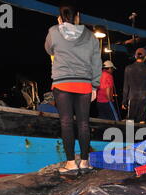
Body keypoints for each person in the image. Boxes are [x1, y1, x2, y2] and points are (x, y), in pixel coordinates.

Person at [45, 3, 102, 173]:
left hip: (62, 83)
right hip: (84, 83)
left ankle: (70, 163)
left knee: (66, 123)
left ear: (60, 17)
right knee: (84, 123)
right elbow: (96, 63)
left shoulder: (54, 31)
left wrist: (60, 26)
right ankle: (84, 162)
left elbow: (48, 49)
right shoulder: (91, 36)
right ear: (78, 16)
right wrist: (94, 86)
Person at [122, 48, 146, 124]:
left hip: (132, 97)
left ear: (135, 56)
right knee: (142, 120)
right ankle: (141, 135)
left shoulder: (128, 68)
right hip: (144, 98)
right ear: (145, 57)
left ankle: (130, 135)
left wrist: (124, 101)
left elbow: (126, 86)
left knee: (130, 120)